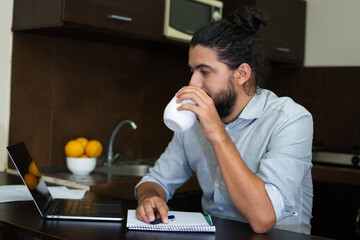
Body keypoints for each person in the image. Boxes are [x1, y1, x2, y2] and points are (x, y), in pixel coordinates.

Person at [135, 5, 313, 234]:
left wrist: (218, 134)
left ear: (242, 74)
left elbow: (263, 218)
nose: (193, 83)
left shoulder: (290, 119)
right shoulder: (193, 122)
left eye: (204, 71)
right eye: (192, 70)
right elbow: (156, 181)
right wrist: (149, 198)